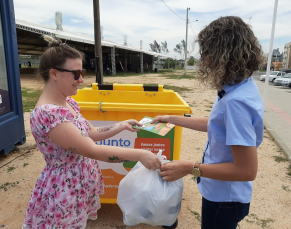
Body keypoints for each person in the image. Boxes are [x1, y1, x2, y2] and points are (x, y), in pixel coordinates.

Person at [22, 36, 161, 229]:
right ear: (54, 74)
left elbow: (91, 132)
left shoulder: (67, 102)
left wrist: (121, 125)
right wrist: (140, 154)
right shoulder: (48, 114)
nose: (81, 79)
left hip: (78, 183)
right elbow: (91, 150)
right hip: (64, 190)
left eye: (83, 72)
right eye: (77, 73)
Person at [153, 16, 264, 229]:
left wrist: (189, 167)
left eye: (206, 54)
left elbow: (246, 170)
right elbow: (219, 125)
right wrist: (172, 119)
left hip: (225, 199)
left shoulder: (235, 102)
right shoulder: (239, 86)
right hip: (225, 195)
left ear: (222, 56)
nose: (204, 61)